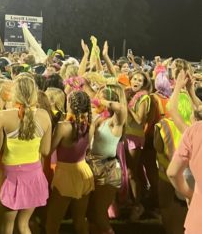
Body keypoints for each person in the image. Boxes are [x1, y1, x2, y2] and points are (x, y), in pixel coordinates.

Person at [0, 74, 52, 234]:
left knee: (6, 227)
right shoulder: (44, 116)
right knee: (24, 225)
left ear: (15, 93)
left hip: (11, 178)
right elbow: (46, 151)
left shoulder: (3, 116)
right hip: (34, 176)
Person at [46, 90, 94, 234]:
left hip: (65, 175)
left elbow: (48, 150)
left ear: (70, 104)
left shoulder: (63, 126)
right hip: (84, 171)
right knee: (80, 221)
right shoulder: (90, 125)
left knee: (52, 224)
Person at [87, 85, 126, 234]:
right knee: (91, 214)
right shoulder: (98, 119)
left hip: (107, 169)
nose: (97, 99)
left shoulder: (114, 122)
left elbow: (120, 108)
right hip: (92, 168)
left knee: (99, 214)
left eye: (101, 96)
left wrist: (102, 101)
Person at [124, 70, 152, 220]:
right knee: (129, 172)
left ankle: (137, 205)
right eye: (134, 78)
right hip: (127, 135)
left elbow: (140, 120)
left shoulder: (144, 98)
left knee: (131, 173)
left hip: (135, 137)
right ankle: (132, 201)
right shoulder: (130, 95)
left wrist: (127, 108)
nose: (136, 82)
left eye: (140, 80)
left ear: (144, 84)